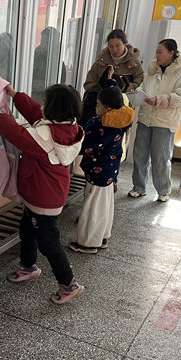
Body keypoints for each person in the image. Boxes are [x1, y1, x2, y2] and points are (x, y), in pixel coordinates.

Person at [0, 83, 85, 304]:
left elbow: (17, 135)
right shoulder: (66, 127)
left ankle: (69, 284)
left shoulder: (45, 138)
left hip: (44, 199)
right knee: (27, 229)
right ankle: (28, 265)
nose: (41, 106)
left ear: (54, 109)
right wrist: (15, 95)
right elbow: (35, 113)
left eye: (45, 102)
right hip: (44, 193)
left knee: (48, 243)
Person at [70, 79, 135, 254]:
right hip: (109, 171)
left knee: (92, 208)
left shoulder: (103, 125)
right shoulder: (120, 120)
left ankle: (89, 243)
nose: (96, 108)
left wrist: (69, 146)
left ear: (108, 108)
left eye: (98, 105)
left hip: (98, 173)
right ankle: (102, 237)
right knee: (104, 205)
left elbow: (85, 144)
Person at [128, 38, 181, 202]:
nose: (157, 55)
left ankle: (163, 190)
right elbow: (144, 87)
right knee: (139, 156)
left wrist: (161, 99)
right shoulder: (152, 68)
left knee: (160, 159)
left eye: (160, 52)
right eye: (156, 51)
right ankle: (139, 188)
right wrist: (138, 93)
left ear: (171, 53)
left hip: (164, 122)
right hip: (145, 118)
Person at [83, 29, 144, 93]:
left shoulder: (134, 62)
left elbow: (140, 82)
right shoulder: (101, 62)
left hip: (125, 98)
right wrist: (102, 89)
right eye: (111, 46)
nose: (114, 49)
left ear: (125, 43)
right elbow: (88, 83)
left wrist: (127, 88)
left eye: (118, 45)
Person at [31, 27, 66, 101]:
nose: (42, 46)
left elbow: (60, 89)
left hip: (50, 100)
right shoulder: (35, 58)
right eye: (42, 42)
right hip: (34, 98)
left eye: (46, 43)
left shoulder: (59, 65)